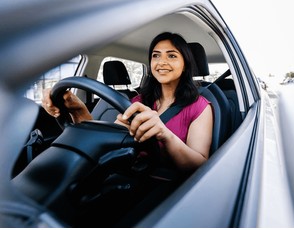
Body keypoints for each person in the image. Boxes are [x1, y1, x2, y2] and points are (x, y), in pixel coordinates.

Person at [42, 32, 213, 173]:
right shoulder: (138, 101)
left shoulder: (200, 107)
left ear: (185, 65)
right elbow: (109, 143)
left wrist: (165, 135)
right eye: (156, 56)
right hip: (130, 177)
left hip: (171, 186)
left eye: (172, 55)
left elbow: (199, 165)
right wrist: (78, 110)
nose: (161, 62)